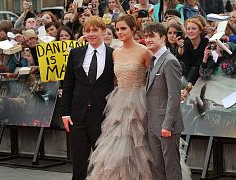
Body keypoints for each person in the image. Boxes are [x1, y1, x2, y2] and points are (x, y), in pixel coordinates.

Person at [87, 14, 153, 179]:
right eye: (117, 29)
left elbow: (153, 78)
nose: (119, 32)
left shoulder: (144, 51)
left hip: (140, 101)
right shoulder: (115, 53)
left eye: (123, 28)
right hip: (118, 101)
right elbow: (114, 80)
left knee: (140, 144)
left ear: (134, 29)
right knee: (115, 142)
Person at [61, 16, 115, 180]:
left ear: (103, 32)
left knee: (104, 161)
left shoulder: (113, 55)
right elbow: (68, 84)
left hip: (102, 115)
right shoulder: (76, 53)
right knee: (78, 161)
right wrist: (65, 113)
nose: (90, 34)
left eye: (94, 30)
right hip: (78, 115)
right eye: (87, 30)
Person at [145, 22, 184, 180]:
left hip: (167, 126)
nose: (148, 39)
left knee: (171, 168)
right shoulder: (153, 60)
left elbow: (174, 97)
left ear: (162, 38)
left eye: (152, 36)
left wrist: (167, 125)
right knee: (157, 168)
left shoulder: (170, 61)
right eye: (146, 36)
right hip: (153, 124)